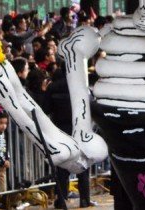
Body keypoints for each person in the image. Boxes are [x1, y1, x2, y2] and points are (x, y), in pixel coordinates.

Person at [46, 65, 95, 208]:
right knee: (83, 165)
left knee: (62, 166)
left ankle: (61, 200)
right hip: (80, 130)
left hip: (60, 131)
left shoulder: (53, 87)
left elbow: (45, 109)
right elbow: (91, 106)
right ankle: (85, 199)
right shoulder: (81, 87)